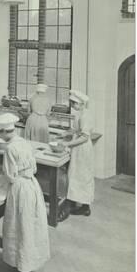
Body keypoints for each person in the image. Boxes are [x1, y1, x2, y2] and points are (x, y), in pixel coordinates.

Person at [0, 112, 50, 272]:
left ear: (4, 132)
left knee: (18, 227)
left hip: (20, 190)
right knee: (29, 227)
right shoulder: (24, 143)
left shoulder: (10, 149)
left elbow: (10, 176)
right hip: (32, 186)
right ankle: (26, 265)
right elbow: (33, 167)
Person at [57, 90, 94, 221]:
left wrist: (69, 144)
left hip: (82, 149)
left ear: (81, 103)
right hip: (78, 148)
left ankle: (81, 205)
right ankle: (78, 203)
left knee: (81, 176)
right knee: (75, 175)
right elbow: (76, 130)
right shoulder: (80, 114)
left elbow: (84, 137)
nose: (72, 105)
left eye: (74, 103)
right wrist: (65, 134)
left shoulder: (85, 116)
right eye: (72, 103)